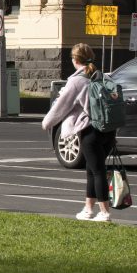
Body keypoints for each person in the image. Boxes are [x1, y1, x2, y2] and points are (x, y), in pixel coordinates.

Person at [40, 42, 111, 221]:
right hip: (108, 130)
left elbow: (61, 106)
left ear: (75, 60)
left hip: (90, 131)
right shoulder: (99, 76)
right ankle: (88, 209)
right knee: (92, 169)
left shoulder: (76, 81)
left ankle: (104, 212)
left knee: (97, 171)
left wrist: (46, 123)